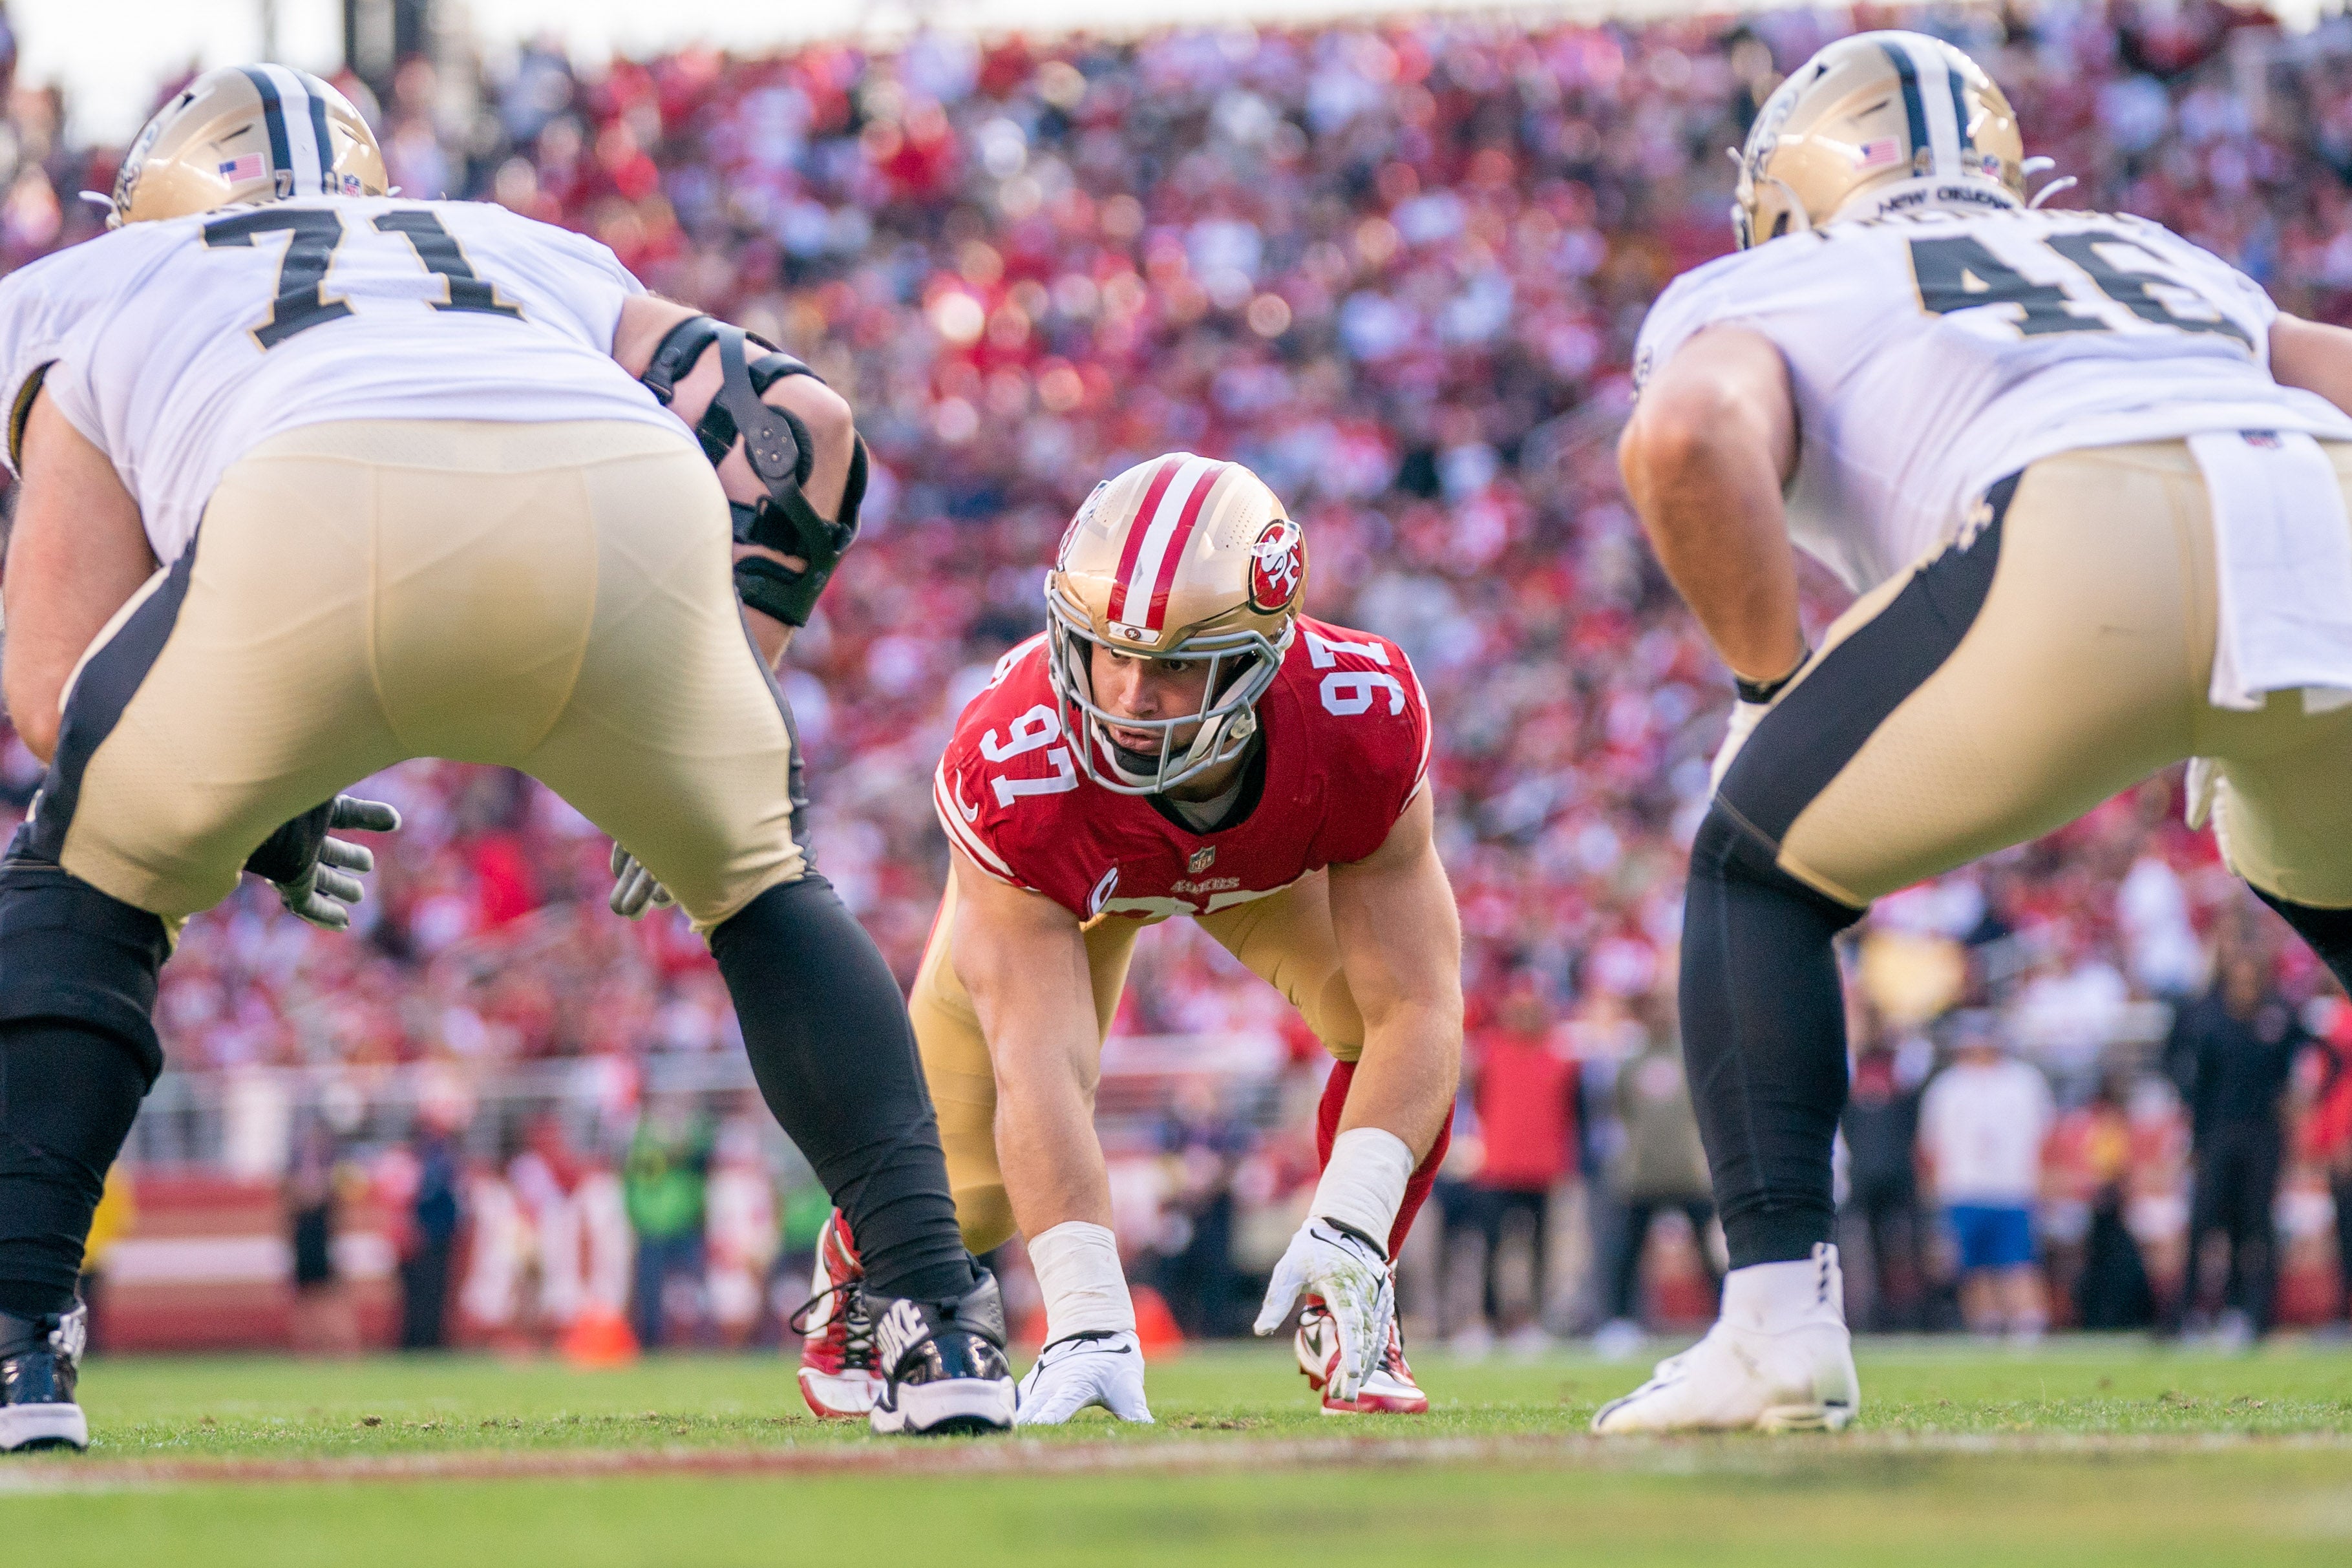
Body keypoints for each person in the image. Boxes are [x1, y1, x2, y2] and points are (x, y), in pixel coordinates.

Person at [0, 65, 1009, 1451]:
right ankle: (935, 1315)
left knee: (82, 881)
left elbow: (54, 696)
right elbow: (806, 428)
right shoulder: (510, 241)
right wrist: (722, 691)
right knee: (764, 886)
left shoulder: (102, 279)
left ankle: (18, 1336)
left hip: (307, 497)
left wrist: (251, 798)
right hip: (627, 496)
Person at [1598, 29, 2352, 1432]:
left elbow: (1681, 441)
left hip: (2077, 512)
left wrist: (1766, 696)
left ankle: (1772, 1325)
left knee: (1753, 863)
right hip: (2324, 501)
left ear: (1785, 190)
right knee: (2326, 876)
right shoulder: (2146, 250)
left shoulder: (1773, 281)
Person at [754, 457, 1463, 1423]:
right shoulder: (1017, 757)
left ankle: (1354, 1289)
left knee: (1379, 1020)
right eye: (1108, 653)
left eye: (1173, 666)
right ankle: (858, 1252)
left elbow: (1420, 1004)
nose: (1127, 697)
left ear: (1258, 657)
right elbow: (1039, 1069)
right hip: (1070, 877)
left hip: (1257, 865)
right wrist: (1086, 1315)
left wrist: (1354, 1223)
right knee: (973, 1195)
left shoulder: (1356, 713)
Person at [2163, 946, 2306, 1342]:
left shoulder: (2276, 1017)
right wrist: (2193, 1117)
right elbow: (2180, 1065)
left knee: (2255, 1227)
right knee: (2205, 1223)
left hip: (2262, 1138)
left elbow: (2316, 1056)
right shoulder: (2208, 1019)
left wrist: (2297, 1100)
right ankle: (2187, 1314)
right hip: (2217, 1136)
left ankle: (2254, 1314)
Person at [1916, 1016, 2054, 1340]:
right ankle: (1985, 1328)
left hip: (2013, 1187)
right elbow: (1930, 1144)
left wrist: (2044, 1181)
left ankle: (2028, 1326)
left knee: (2018, 1263)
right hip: (1962, 1188)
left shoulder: (2024, 1081)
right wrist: (1933, 1188)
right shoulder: (1947, 1087)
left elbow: (2046, 1136)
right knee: (1973, 1267)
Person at [1463, 971, 1578, 1351]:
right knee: (1493, 1248)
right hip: (1499, 1168)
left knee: (1540, 1252)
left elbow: (1570, 1113)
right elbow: (1480, 1101)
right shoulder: (1491, 1053)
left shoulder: (1559, 1057)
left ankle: (1534, 1321)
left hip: (1542, 1169)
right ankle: (1488, 1320)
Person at [1596, 1010, 1719, 1347]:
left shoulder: (1691, 1059)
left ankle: (1728, 1316)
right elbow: (1622, 1109)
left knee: (1710, 1252)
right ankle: (1620, 1322)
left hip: (1688, 1174)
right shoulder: (1632, 1062)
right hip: (1642, 1175)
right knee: (1627, 1251)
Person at [621, 1097, 712, 1350]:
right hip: (652, 1228)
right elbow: (637, 1180)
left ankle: (696, 1342)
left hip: (685, 1226)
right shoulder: (641, 1139)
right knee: (650, 1292)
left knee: (692, 1290)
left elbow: (700, 1150)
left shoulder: (694, 1132)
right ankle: (653, 1343)